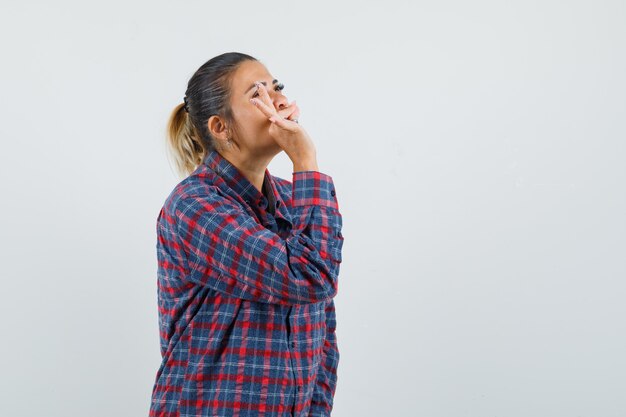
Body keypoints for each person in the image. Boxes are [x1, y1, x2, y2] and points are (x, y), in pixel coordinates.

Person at [149, 52, 345, 417]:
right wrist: (305, 160)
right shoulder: (195, 207)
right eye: (258, 94)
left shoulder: (293, 199)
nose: (282, 102)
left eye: (277, 88)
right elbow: (309, 276)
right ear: (220, 128)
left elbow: (321, 333)